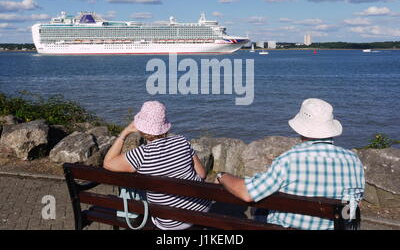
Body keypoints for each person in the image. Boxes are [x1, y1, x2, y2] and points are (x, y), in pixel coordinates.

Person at [215, 98, 365, 230]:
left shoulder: (290, 160)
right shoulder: (353, 161)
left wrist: (222, 176)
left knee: (260, 210)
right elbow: (353, 208)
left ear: (302, 129)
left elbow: (248, 194)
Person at [103, 100, 211, 230]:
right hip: (200, 210)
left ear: (141, 127)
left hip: (169, 222)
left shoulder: (141, 155)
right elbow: (202, 174)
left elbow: (108, 163)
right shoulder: (182, 141)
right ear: (164, 125)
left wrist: (125, 132)